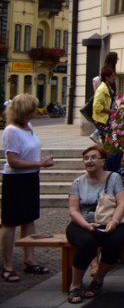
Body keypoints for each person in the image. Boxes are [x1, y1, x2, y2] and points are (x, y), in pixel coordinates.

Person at [64, 145, 124, 303]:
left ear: (102, 161)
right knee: (87, 243)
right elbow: (73, 210)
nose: (89, 161)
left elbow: (121, 203)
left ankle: (98, 279)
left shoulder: (114, 178)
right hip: (83, 222)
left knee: (115, 241)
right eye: (86, 158)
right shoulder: (78, 182)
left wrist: (114, 221)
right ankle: (75, 284)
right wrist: (86, 225)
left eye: (93, 157)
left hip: (110, 219)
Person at [1, 94, 55, 282]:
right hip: (15, 180)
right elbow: (13, 161)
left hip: (31, 177)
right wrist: (39, 163)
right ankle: (8, 265)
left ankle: (29, 259)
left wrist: (40, 163)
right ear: (25, 111)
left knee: (29, 219)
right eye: (33, 109)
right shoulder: (10, 131)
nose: (35, 112)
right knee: (10, 222)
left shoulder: (29, 127)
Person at [91, 65, 116, 144]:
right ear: (106, 77)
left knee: (107, 139)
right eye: (112, 76)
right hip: (101, 119)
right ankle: (95, 134)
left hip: (106, 119)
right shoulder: (102, 89)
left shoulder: (108, 88)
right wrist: (110, 111)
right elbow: (97, 106)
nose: (114, 78)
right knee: (106, 139)